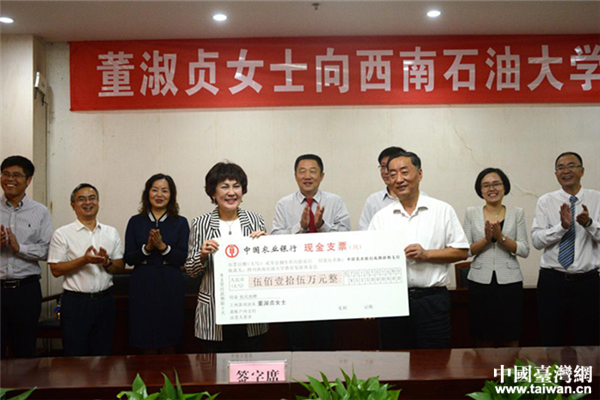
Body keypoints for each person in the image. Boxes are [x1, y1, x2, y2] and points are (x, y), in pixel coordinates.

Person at [369, 151, 468, 349]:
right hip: (393, 302)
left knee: (434, 361)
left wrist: (427, 254)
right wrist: (371, 300)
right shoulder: (381, 217)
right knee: (395, 361)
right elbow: (370, 261)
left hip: (432, 301)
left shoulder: (442, 210)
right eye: (392, 174)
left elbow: (461, 252)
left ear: (420, 174)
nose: (398, 179)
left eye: (404, 172)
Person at [185, 162, 268, 353]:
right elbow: (191, 270)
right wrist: (202, 255)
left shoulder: (255, 221)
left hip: (250, 311)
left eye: (236, 186)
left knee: (250, 365)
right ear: (213, 193)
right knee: (214, 368)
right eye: (224, 186)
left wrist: (264, 247)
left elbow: (266, 268)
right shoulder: (201, 223)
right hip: (214, 312)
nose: (231, 192)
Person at [272, 154, 351, 351]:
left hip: (327, 282)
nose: (307, 176)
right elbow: (275, 241)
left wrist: (323, 226)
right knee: (294, 342)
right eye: (302, 171)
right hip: (294, 282)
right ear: (295, 176)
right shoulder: (283, 204)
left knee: (324, 341)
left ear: (322, 176)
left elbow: (346, 239)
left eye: (313, 171)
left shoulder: (335, 202)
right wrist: (300, 227)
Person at [532, 151, 600, 346]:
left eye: (571, 166)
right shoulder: (545, 201)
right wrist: (561, 228)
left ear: (582, 171)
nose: (566, 171)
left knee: (589, 342)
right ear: (556, 174)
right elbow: (537, 241)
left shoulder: (597, 199)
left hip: (588, 283)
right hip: (552, 282)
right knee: (551, 339)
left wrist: (589, 224)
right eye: (560, 168)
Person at [48, 183, 124, 356]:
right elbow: (56, 269)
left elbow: (120, 267)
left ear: (98, 202)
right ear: (73, 205)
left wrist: (106, 261)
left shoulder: (110, 232)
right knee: (75, 355)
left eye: (92, 198)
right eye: (81, 199)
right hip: (76, 303)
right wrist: (84, 260)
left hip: (105, 302)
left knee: (103, 354)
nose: (88, 202)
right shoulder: (62, 234)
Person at [463, 168, 530, 347]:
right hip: (479, 282)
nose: (491, 189)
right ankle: (483, 366)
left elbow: (524, 250)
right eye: (486, 185)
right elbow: (465, 251)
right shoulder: (471, 212)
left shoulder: (517, 213)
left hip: (510, 282)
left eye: (496, 184)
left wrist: (501, 238)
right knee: (482, 334)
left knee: (511, 333)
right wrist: (486, 240)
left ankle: (510, 366)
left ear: (504, 187)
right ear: (480, 190)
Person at [124, 174, 189, 354]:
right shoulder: (136, 221)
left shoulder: (180, 222)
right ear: (147, 194)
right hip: (142, 284)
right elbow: (128, 258)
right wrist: (147, 248)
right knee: (143, 338)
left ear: (171, 195)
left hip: (171, 284)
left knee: (169, 338)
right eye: (155, 190)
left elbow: (182, 257)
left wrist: (162, 247)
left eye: (165, 191)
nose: (159, 195)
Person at [0, 156, 53, 359]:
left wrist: (19, 248)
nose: (9, 179)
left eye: (16, 175)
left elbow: (47, 250)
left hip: (26, 290)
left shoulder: (40, 211)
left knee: (25, 351)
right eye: (5, 174)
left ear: (28, 180)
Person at [359, 146, 405, 230]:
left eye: (390, 166)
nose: (386, 171)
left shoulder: (421, 199)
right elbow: (364, 232)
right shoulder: (373, 200)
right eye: (383, 166)